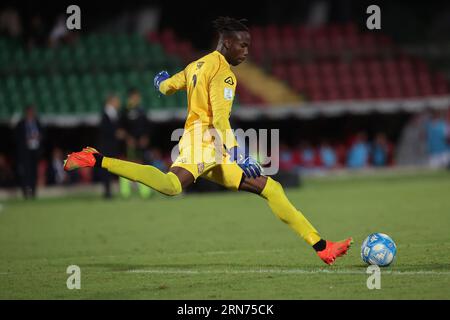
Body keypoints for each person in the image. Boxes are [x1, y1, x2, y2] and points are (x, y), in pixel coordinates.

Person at [64, 17, 352, 265]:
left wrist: (159, 82)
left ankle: (322, 246)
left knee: (271, 188)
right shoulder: (224, 74)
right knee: (171, 186)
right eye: (243, 45)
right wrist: (239, 153)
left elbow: (166, 86)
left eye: (249, 45)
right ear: (226, 43)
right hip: (204, 142)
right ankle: (96, 158)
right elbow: (220, 121)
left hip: (211, 145)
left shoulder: (195, 65)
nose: (247, 51)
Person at [118, 88, 152, 199]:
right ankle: (125, 192)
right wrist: (128, 138)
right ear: (131, 97)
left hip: (141, 143)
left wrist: (145, 137)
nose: (138, 99)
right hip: (129, 144)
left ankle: (145, 192)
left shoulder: (142, 110)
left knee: (142, 164)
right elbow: (120, 129)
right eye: (136, 96)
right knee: (127, 165)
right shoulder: (124, 111)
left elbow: (147, 126)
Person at [97, 94, 124, 199]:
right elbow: (105, 129)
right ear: (111, 101)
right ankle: (107, 192)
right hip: (106, 147)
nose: (118, 103)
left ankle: (109, 192)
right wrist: (116, 133)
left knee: (110, 169)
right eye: (116, 101)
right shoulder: (105, 114)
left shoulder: (114, 114)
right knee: (106, 169)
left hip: (112, 146)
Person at [14, 105, 43, 199]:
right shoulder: (21, 124)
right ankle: (25, 193)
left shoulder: (37, 122)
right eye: (30, 111)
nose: (32, 113)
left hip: (35, 152)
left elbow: (43, 134)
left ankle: (33, 192)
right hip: (25, 153)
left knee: (34, 173)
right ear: (26, 112)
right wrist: (26, 139)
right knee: (26, 173)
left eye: (33, 111)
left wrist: (38, 137)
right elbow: (16, 138)